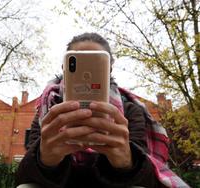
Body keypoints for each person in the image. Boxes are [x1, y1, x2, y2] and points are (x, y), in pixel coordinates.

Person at [16, 33, 189, 188]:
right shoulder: (48, 110)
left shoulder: (130, 110)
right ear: (64, 67)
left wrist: (126, 162)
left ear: (110, 68)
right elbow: (23, 176)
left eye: (95, 63)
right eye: (79, 60)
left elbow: (147, 179)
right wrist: (45, 160)